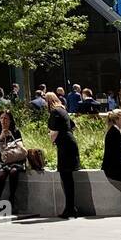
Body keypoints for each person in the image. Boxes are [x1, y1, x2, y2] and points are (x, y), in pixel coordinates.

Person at [45, 91, 80, 219]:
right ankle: (71, 208)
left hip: (64, 146)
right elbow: (73, 126)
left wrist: (52, 141)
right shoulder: (63, 110)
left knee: (66, 177)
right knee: (68, 178)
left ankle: (70, 208)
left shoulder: (54, 112)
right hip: (70, 142)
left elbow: (54, 132)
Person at [0, 110, 26, 212]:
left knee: (13, 172)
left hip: (15, 158)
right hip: (2, 159)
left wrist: (10, 136)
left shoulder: (15, 130)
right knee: (2, 174)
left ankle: (12, 198)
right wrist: (0, 138)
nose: (3, 120)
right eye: (1, 118)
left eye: (6, 118)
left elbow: (20, 145)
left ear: (10, 120)